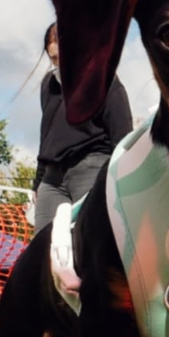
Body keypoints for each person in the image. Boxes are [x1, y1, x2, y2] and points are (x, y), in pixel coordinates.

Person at [33, 22, 132, 231]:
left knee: (90, 239)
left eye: (63, 58)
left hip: (92, 167)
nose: (59, 65)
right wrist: (38, 181)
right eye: (53, 59)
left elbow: (122, 134)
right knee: (42, 243)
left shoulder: (105, 80)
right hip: (52, 177)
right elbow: (46, 134)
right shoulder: (48, 84)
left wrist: (118, 179)